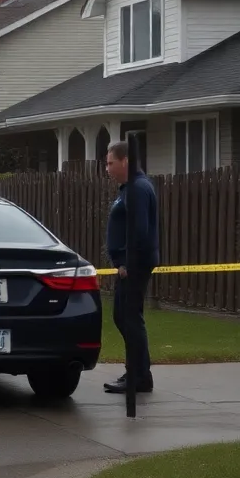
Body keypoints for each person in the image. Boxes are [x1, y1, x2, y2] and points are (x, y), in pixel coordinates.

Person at [103, 140, 159, 395]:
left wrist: (127, 263)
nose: (107, 168)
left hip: (134, 265)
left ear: (125, 161)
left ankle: (138, 377)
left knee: (129, 318)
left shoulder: (138, 188)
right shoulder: (129, 188)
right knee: (123, 317)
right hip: (129, 264)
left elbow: (140, 233)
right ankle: (138, 372)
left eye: (110, 163)